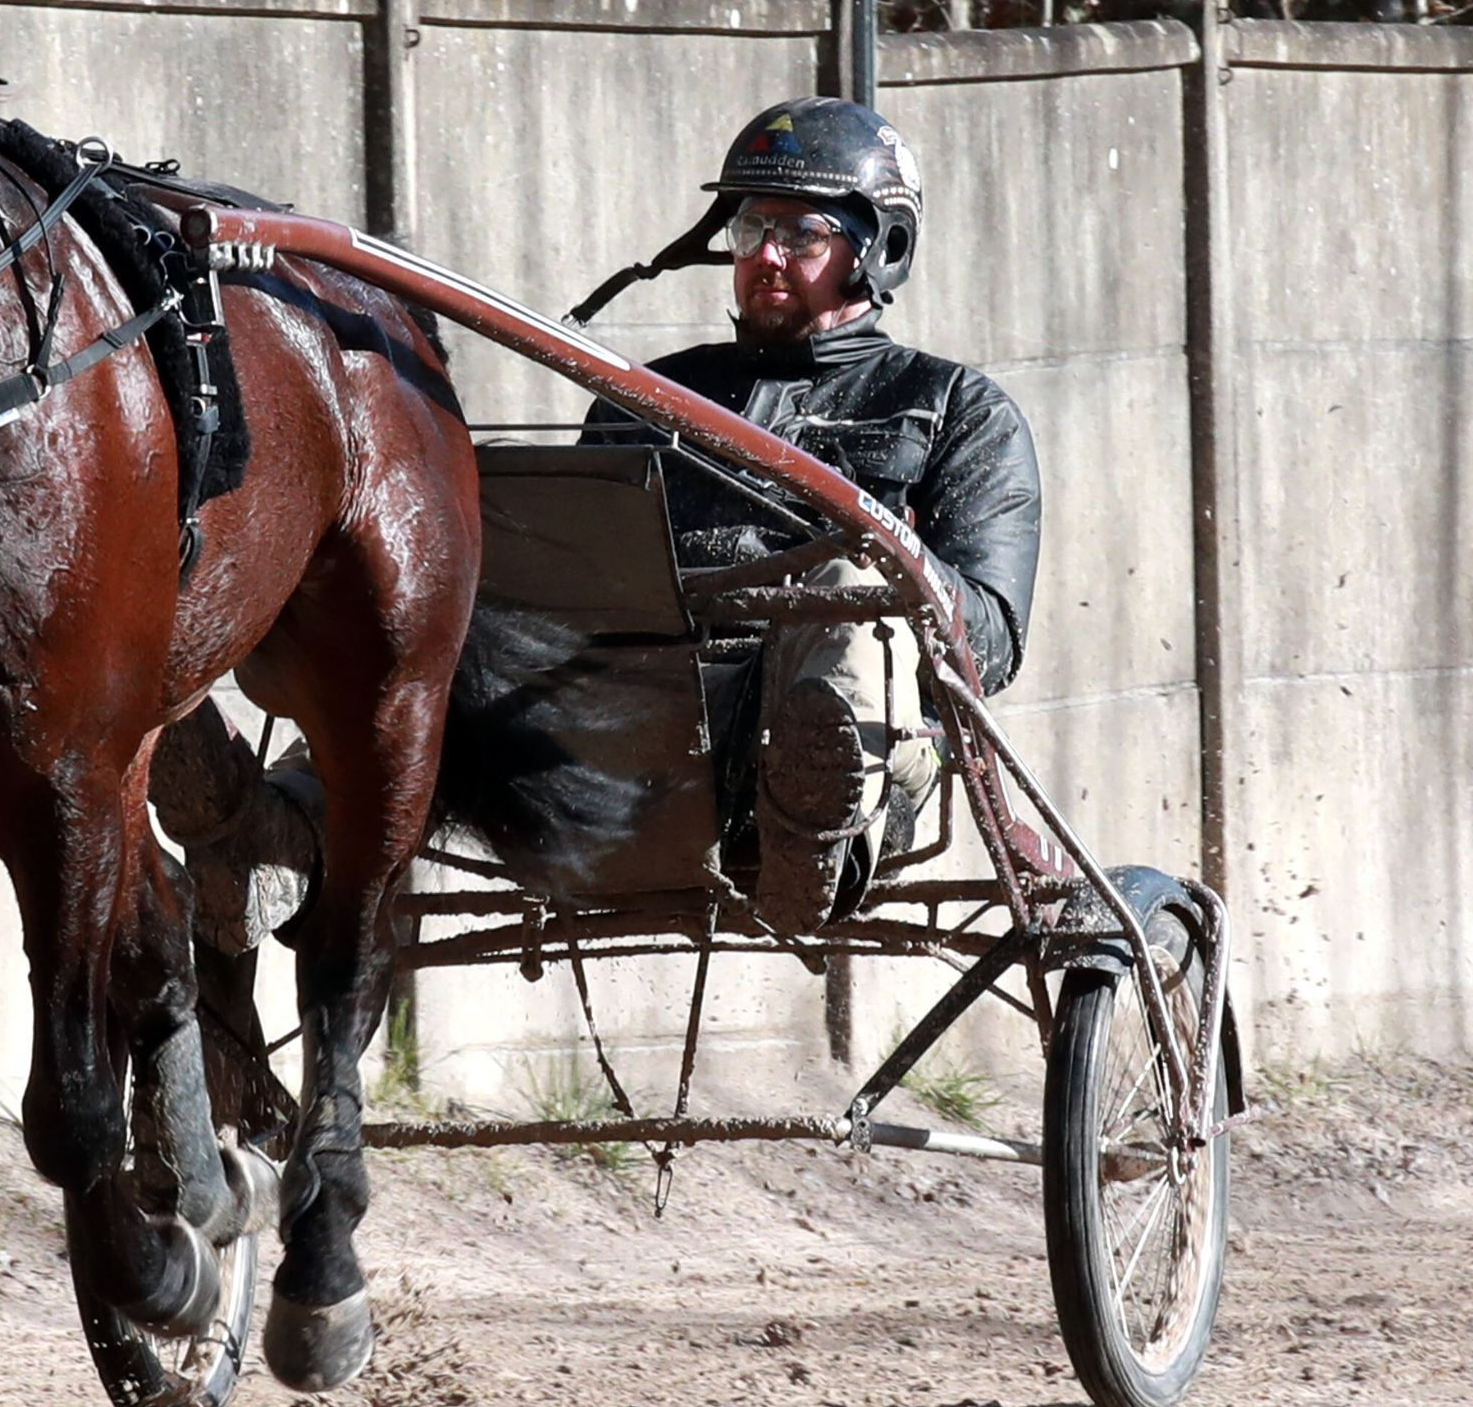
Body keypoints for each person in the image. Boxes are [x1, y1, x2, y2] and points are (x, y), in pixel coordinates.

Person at [148, 96, 1042, 939]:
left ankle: (805, 835)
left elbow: (991, 639)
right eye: (751, 229)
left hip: (808, 731)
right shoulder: (650, 393)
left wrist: (885, 567)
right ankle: (269, 835)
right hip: (614, 724)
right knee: (440, 628)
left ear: (875, 250)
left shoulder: (952, 407)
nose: (766, 254)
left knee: (850, 589)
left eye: (801, 232)